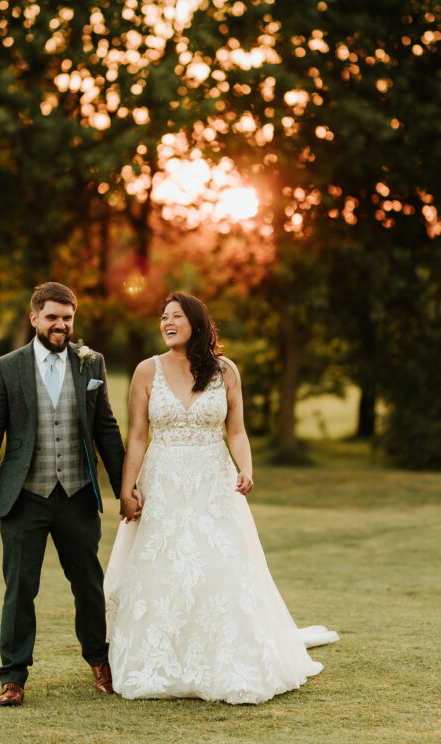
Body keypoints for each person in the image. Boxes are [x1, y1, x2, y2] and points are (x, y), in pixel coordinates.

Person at [104, 291, 338, 705]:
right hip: (163, 485)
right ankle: (160, 661)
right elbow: (138, 436)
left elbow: (237, 430)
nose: (167, 321)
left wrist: (245, 468)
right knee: (162, 570)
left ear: (196, 322)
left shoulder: (225, 371)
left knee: (222, 568)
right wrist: (127, 488)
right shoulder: (146, 371)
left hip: (214, 483)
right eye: (163, 317)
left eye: (176, 315)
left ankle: (227, 659)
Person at [0, 281, 132, 706]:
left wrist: (124, 489)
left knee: (89, 584)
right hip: (24, 495)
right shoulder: (8, 367)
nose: (61, 325)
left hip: (77, 493)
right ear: (34, 318)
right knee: (20, 587)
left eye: (67, 318)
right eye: (53, 317)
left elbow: (107, 429)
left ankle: (100, 662)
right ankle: (13, 678)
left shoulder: (91, 362)